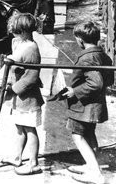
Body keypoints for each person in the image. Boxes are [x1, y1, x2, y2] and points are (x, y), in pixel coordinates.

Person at [64, 21, 114, 184]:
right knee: (88, 133)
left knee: (77, 135)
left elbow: (96, 83)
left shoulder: (87, 57)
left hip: (84, 106)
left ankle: (96, 174)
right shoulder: (102, 54)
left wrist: (74, 91)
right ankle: (92, 165)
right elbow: (107, 79)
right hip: (95, 104)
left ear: (80, 39)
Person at [0, 13, 44, 175]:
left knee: (30, 130)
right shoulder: (24, 44)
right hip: (20, 99)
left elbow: (32, 77)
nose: (14, 34)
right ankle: (17, 157)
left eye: (17, 31)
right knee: (19, 128)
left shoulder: (31, 48)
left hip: (28, 98)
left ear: (24, 31)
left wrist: (13, 87)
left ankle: (33, 163)